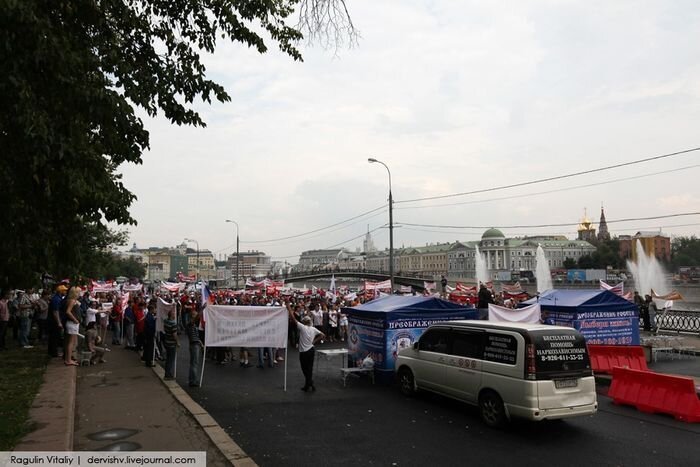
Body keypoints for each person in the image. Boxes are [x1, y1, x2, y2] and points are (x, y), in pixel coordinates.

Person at [287, 303, 325, 392]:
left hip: (304, 351)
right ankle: (309, 384)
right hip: (311, 350)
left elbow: (293, 318)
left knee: (304, 368)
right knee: (309, 368)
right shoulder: (313, 329)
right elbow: (323, 335)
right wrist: (314, 342)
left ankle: (309, 383)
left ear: (304, 322)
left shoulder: (303, 328)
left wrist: (289, 308)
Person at [62, 286, 83, 366]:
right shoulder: (72, 300)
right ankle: (68, 360)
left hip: (72, 323)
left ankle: (68, 358)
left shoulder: (72, 300)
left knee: (70, 342)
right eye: (79, 292)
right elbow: (68, 312)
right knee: (71, 342)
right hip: (72, 323)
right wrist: (75, 319)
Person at [48, 284, 67, 357]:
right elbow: (55, 312)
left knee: (54, 337)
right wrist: (59, 322)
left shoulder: (58, 298)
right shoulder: (56, 299)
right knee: (54, 337)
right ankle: (54, 353)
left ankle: (51, 352)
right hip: (54, 321)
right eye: (64, 290)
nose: (65, 292)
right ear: (61, 291)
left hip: (54, 320)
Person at [187, 308, 203, 387]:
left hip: (194, 344)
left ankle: (191, 379)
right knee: (194, 364)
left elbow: (195, 336)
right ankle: (193, 381)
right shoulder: (190, 323)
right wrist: (202, 308)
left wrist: (200, 342)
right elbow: (196, 318)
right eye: (195, 314)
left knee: (193, 363)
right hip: (194, 345)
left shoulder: (192, 324)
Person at [162, 307, 179, 380]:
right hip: (171, 343)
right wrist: (178, 342)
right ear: (171, 315)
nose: (175, 315)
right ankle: (168, 375)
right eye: (173, 314)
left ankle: (167, 373)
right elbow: (174, 334)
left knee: (168, 359)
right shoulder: (173, 324)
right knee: (171, 360)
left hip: (167, 341)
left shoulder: (166, 321)